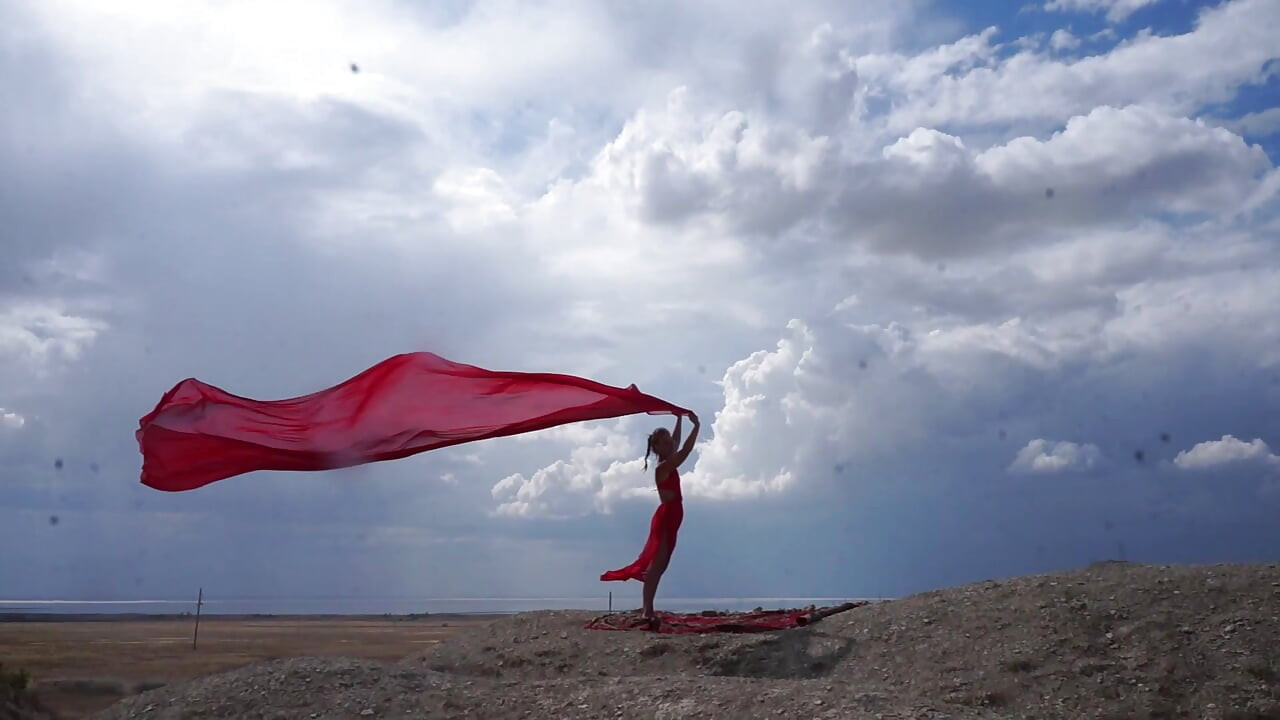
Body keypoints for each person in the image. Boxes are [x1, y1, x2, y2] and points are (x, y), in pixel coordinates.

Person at [600, 411, 700, 628]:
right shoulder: (664, 467)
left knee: (661, 566)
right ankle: (647, 609)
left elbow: (676, 442)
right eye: (663, 442)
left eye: (668, 440)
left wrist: (679, 419)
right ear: (657, 449)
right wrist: (697, 425)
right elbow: (685, 449)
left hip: (673, 515)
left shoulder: (668, 460)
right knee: (656, 566)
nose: (669, 443)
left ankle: (648, 606)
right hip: (666, 516)